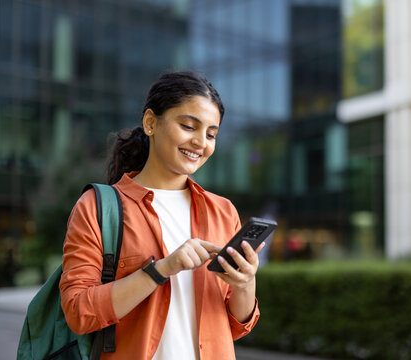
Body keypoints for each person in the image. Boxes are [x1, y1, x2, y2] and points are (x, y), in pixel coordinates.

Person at [59, 71, 264, 360]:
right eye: (188, 126)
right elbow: (79, 312)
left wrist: (245, 282)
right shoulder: (97, 206)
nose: (200, 143)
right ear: (151, 123)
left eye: (211, 134)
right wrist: (162, 269)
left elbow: (236, 326)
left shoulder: (223, 211)